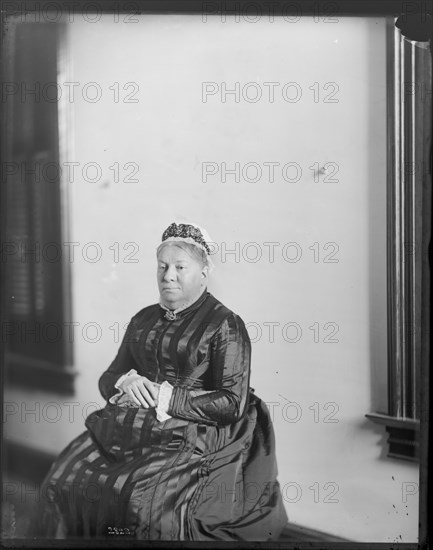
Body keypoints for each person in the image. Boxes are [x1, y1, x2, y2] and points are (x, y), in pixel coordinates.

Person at [31, 222, 288, 541]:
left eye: (180, 267)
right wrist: (125, 382)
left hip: (197, 432)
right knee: (64, 477)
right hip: (132, 428)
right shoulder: (143, 318)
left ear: (204, 272)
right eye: (163, 266)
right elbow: (108, 378)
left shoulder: (225, 325)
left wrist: (164, 396)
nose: (168, 276)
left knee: (144, 505)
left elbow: (232, 403)